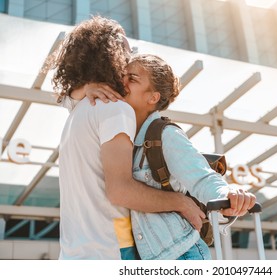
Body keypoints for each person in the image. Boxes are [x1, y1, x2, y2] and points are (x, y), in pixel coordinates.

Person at [50, 16, 208, 260]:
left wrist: (83, 88)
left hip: (72, 254)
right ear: (111, 54)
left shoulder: (79, 109)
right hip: (110, 249)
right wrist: (181, 202)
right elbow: (121, 191)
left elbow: (65, 98)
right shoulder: (114, 108)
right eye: (127, 49)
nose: (131, 55)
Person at [71, 53, 257, 260]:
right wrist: (85, 88)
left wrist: (227, 192)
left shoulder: (165, 134)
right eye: (122, 75)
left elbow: (202, 176)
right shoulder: (121, 134)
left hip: (181, 254)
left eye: (132, 79)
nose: (121, 82)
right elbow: (66, 99)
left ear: (153, 97)